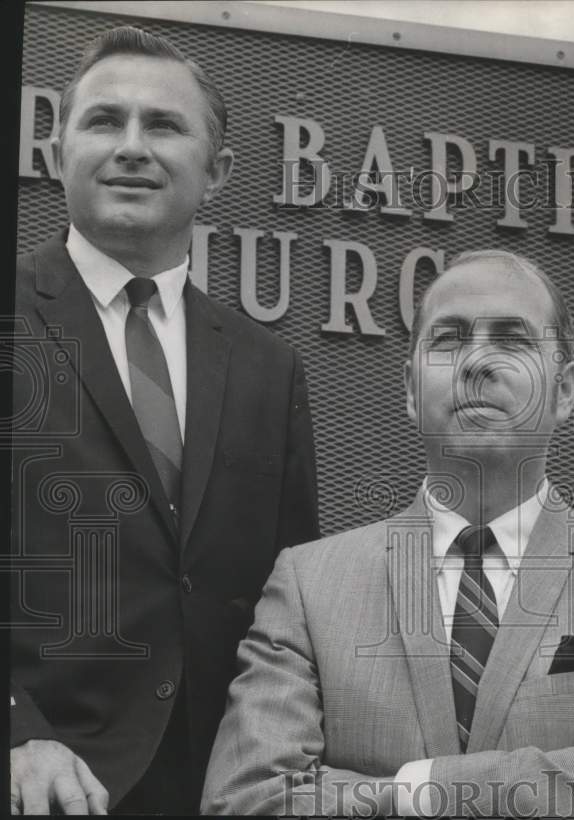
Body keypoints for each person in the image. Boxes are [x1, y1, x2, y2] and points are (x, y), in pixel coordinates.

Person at [201, 250, 574, 817]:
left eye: (514, 340)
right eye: (448, 340)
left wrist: (415, 791)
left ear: (565, 390)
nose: (476, 363)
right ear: (408, 390)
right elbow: (248, 798)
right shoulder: (308, 582)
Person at [9, 27, 319, 815]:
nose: (132, 148)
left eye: (164, 126)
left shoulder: (268, 367)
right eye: (105, 121)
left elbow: (293, 596)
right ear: (56, 151)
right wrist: (15, 735)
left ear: (217, 174)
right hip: (43, 785)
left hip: (226, 786)